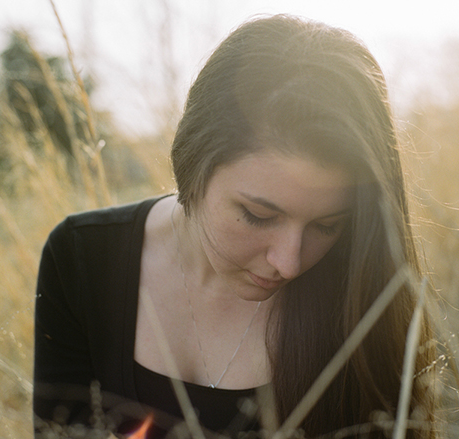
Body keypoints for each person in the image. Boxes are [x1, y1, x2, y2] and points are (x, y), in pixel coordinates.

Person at [34, 14, 436, 439]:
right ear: (193, 163)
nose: (290, 263)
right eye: (258, 216)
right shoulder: (81, 259)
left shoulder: (362, 287)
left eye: (327, 225)